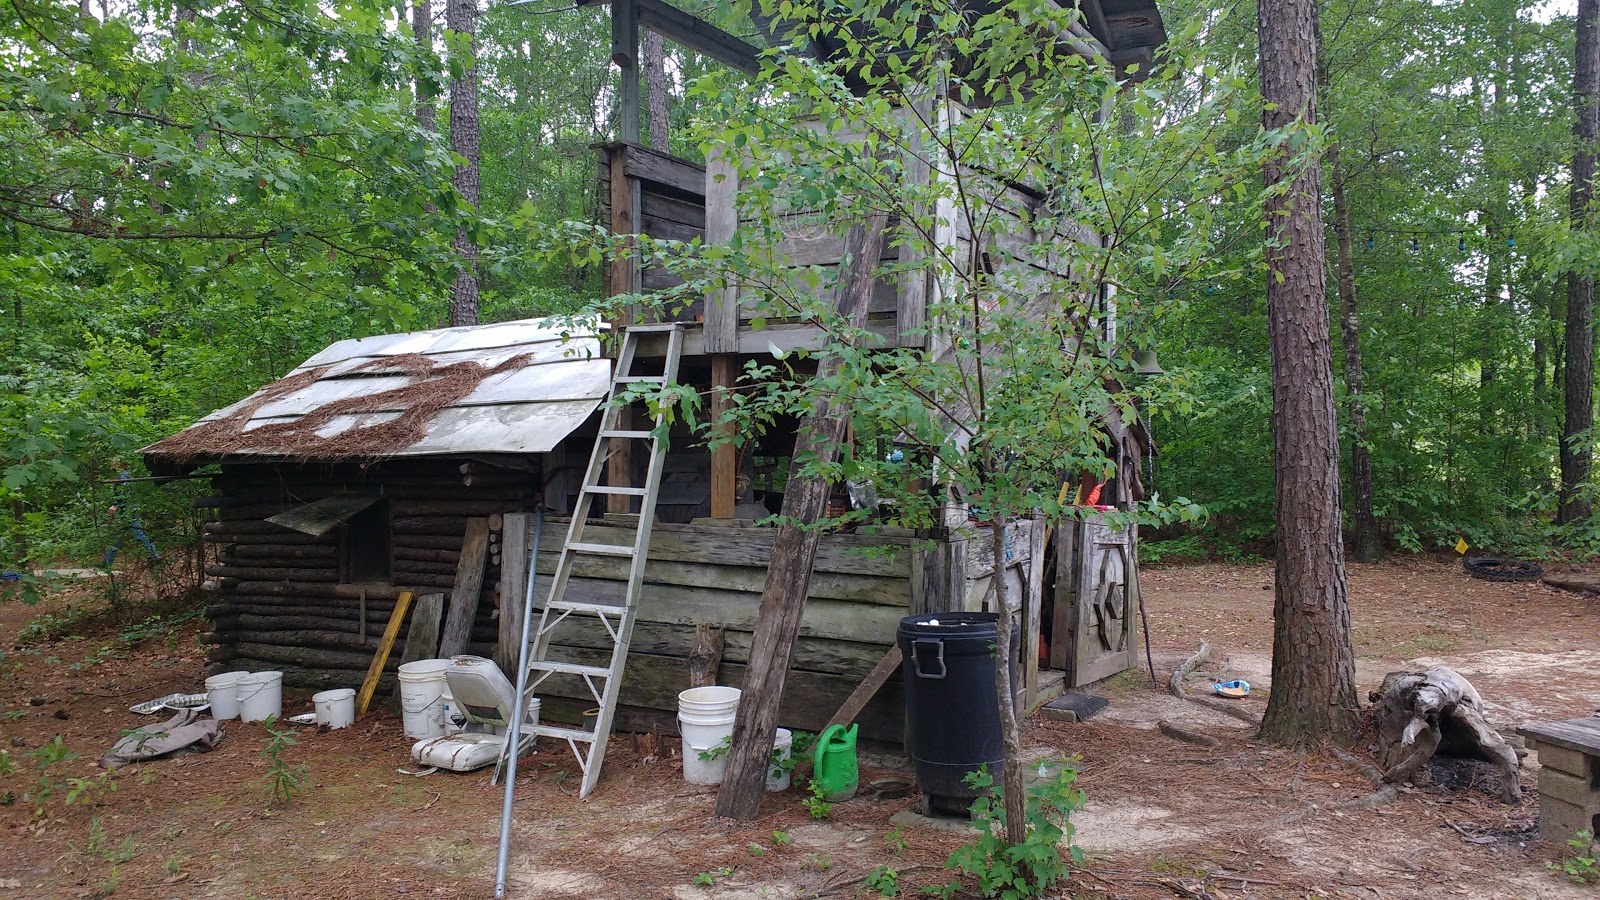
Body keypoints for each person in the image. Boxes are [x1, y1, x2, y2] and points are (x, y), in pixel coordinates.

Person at [104, 461, 159, 566]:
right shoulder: (129, 475)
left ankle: (154, 555)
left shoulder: (122, 476)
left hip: (127, 509)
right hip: (130, 507)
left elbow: (124, 492)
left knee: (137, 533)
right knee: (119, 535)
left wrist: (116, 504)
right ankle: (107, 561)